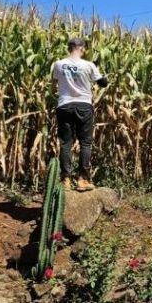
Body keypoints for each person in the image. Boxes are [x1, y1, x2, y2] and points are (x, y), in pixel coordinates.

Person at [51, 37, 108, 192]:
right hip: (83, 105)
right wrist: (103, 75)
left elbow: (54, 83)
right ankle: (83, 179)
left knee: (65, 143)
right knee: (85, 143)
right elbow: (103, 83)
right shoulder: (89, 65)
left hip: (64, 105)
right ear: (82, 48)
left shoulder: (58, 64)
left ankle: (65, 180)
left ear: (69, 48)